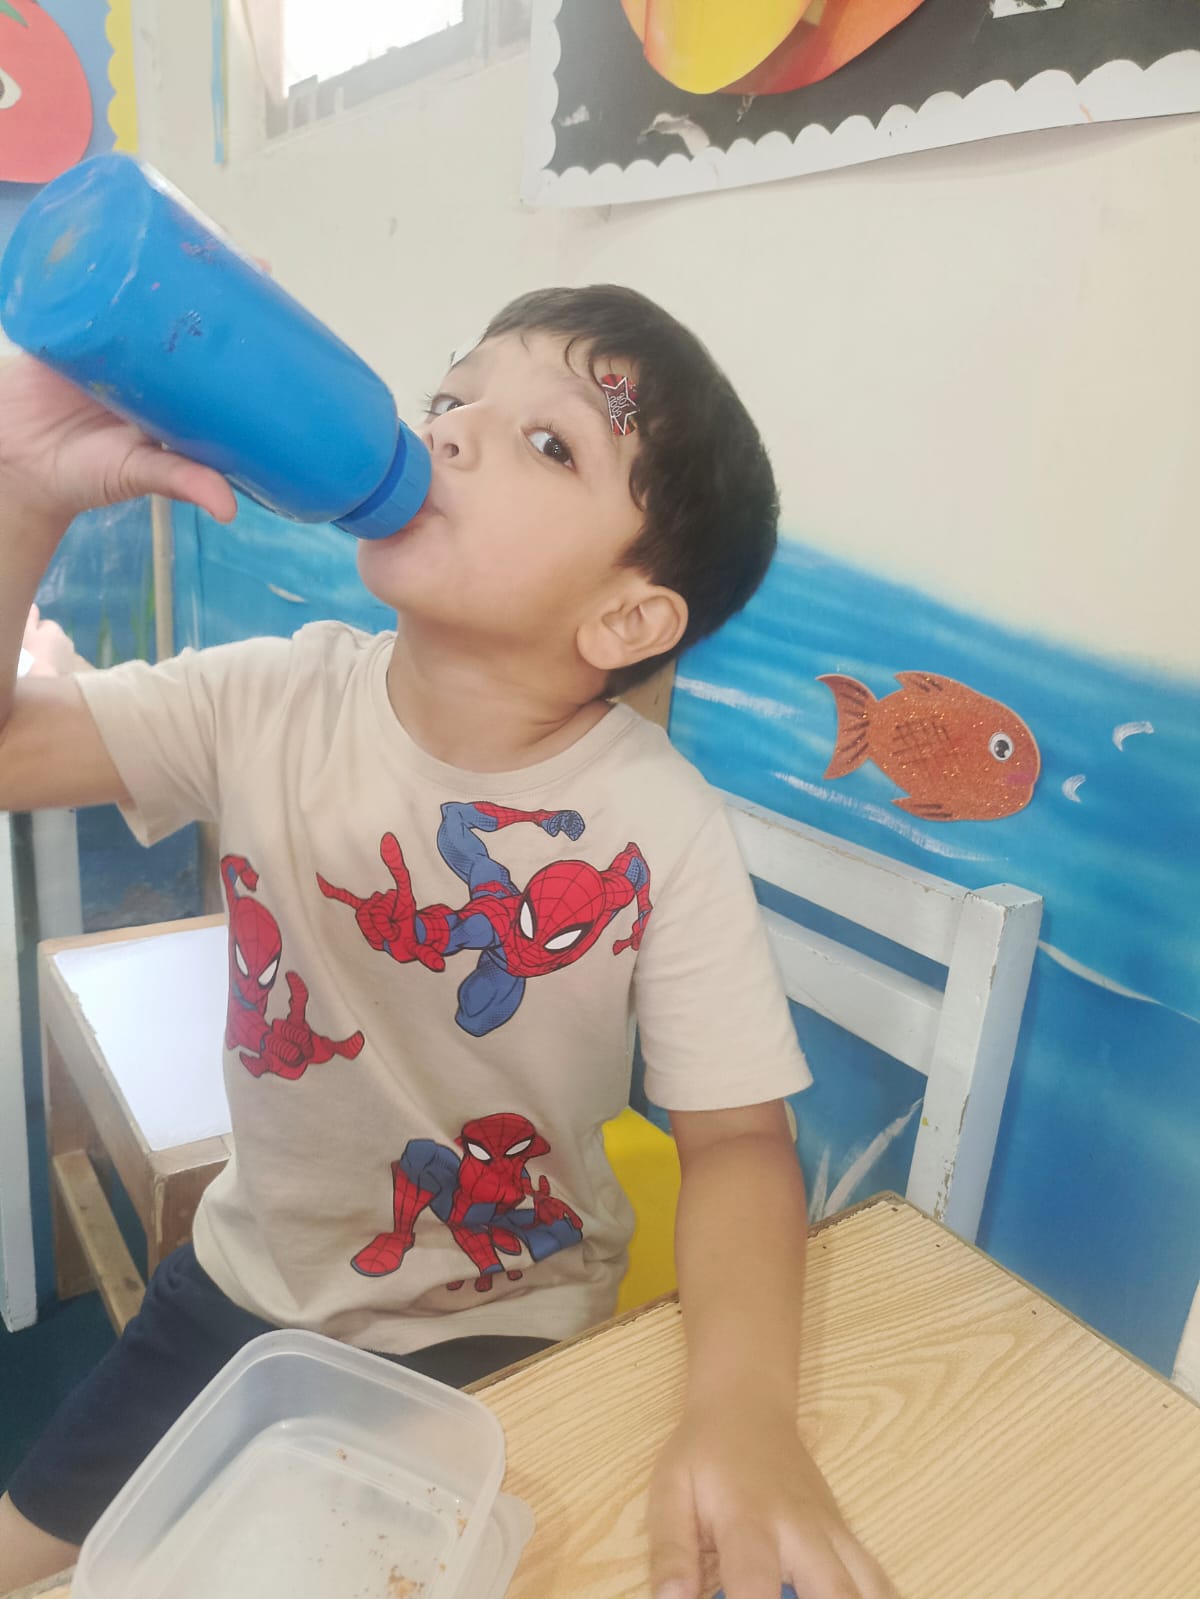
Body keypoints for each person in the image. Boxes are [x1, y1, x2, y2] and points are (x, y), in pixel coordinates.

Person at [0, 286, 894, 1599]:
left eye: (551, 441)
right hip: (243, 1291)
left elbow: (739, 1145)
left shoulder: (660, 827)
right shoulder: (267, 698)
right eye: (452, 397)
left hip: (506, 1328)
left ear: (627, 619)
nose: (452, 431)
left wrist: (744, 1412)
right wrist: (23, 495)